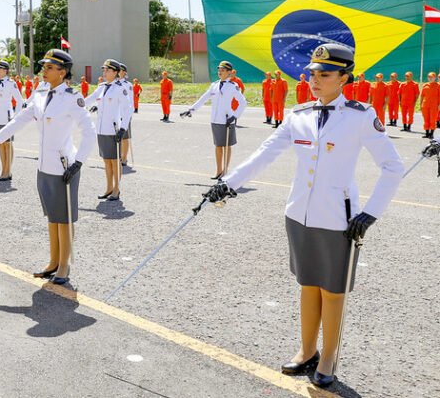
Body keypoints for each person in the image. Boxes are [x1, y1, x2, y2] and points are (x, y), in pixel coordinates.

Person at [204, 43, 403, 388]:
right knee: (307, 285)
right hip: (299, 214)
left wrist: (370, 213)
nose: (315, 79)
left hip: (339, 220)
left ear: (344, 77)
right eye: (313, 73)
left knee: (333, 290)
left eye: (324, 74)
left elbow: (392, 167)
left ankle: (328, 356)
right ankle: (307, 350)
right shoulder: (299, 115)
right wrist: (228, 183)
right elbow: (265, 154)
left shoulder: (360, 116)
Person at [0, 49, 95, 285]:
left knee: (64, 219)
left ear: (62, 72)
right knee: (52, 218)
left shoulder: (72, 98)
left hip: (64, 167)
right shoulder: (40, 94)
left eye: (50, 67)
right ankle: (53, 262)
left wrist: (79, 161)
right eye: (45, 66)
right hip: (44, 166)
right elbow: (20, 118)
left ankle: (64, 266)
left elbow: (89, 132)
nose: (45, 70)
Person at [181, 60, 247, 179]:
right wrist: (191, 109)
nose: (219, 72)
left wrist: (234, 116)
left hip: (227, 120)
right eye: (219, 70)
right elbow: (203, 98)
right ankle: (219, 171)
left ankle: (226, 172)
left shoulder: (233, 86)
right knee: (218, 146)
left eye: (222, 70)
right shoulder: (214, 85)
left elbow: (243, 102)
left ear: (229, 73)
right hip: (215, 120)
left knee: (227, 146)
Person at [85, 59, 132, 200]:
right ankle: (108, 188)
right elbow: (89, 100)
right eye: (104, 70)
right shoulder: (101, 87)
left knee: (115, 161)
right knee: (106, 161)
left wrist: (123, 129)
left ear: (116, 73)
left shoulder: (120, 88)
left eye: (107, 70)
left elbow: (128, 109)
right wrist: (73, 104)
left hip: (113, 130)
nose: (104, 72)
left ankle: (117, 189)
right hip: (101, 130)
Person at [420, 72, 440, 139]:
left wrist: (439, 105)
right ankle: (427, 133)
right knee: (426, 120)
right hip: (425, 105)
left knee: (432, 120)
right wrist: (420, 104)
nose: (430, 78)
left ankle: (431, 134)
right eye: (429, 77)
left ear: (435, 78)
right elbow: (422, 96)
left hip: (434, 105)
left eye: (431, 77)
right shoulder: (425, 85)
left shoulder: (438, 86)